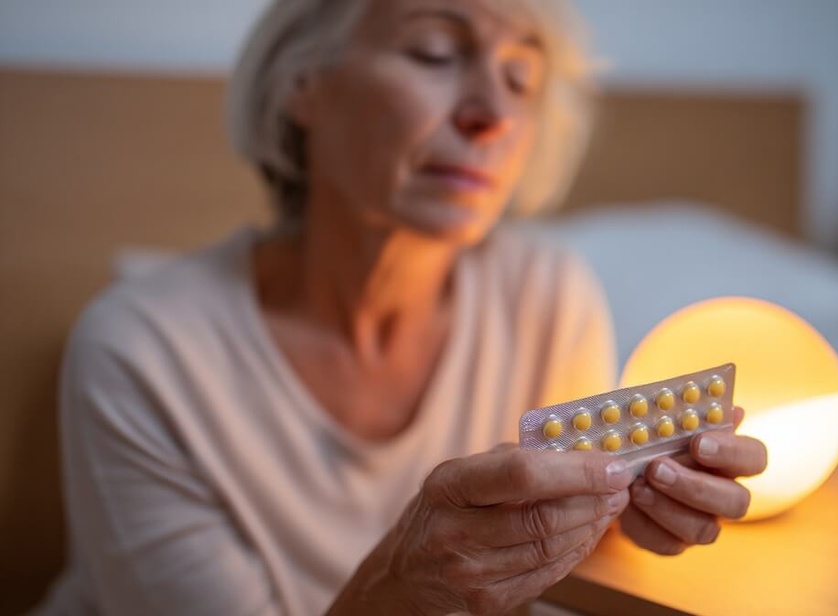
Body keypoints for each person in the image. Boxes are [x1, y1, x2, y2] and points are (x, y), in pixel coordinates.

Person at [35, 0, 768, 614]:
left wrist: (623, 521)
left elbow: (555, 561)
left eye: (521, 79)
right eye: (434, 53)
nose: (492, 114)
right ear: (301, 82)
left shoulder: (548, 295)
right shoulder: (140, 354)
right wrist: (403, 586)